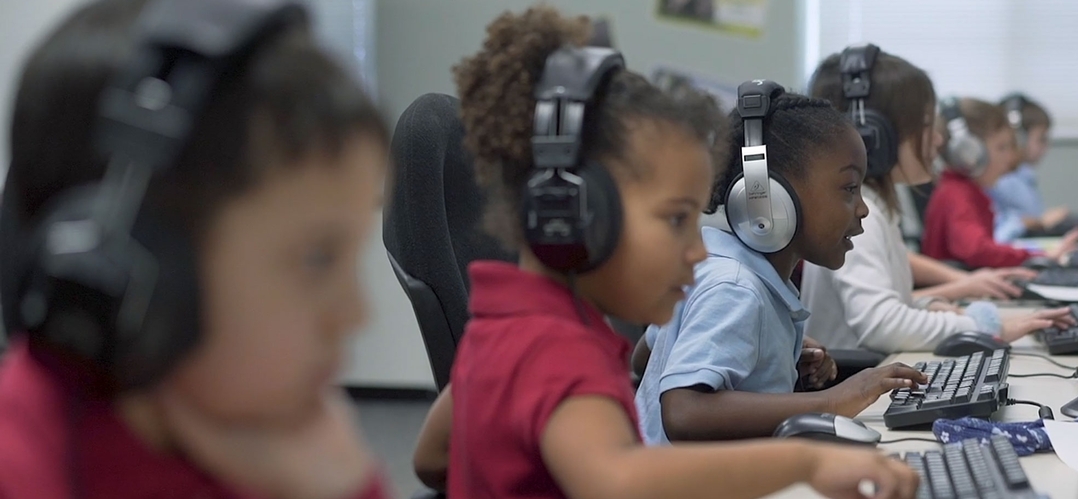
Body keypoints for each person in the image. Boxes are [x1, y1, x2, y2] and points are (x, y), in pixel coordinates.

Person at [439, 7, 918, 499]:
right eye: (675, 220)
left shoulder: (502, 327)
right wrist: (807, 458)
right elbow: (621, 478)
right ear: (580, 212)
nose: (696, 250)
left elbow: (433, 459)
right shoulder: (562, 355)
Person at [0, 0, 394, 497]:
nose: (357, 315)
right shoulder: (22, 473)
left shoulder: (286, 440)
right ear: (130, 268)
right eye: (318, 259)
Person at [635, 80, 929, 445]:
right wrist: (831, 401)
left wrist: (764, 348)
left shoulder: (718, 268)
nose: (863, 208)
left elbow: (645, 360)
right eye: (849, 189)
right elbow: (684, 412)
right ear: (766, 200)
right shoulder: (736, 288)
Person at [801, 47, 1074, 354]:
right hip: (851, 381)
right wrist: (988, 328)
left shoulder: (877, 206)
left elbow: (886, 308)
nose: (940, 141)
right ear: (874, 136)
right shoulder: (859, 214)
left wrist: (930, 304)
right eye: (927, 125)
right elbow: (882, 326)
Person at [920, 98, 1078, 269]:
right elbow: (977, 250)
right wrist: (1041, 256)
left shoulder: (970, 192)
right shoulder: (956, 195)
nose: (1011, 158)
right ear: (968, 153)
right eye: (1001, 148)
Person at [990, 93, 1078, 242]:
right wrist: (1039, 222)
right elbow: (998, 230)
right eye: (1041, 139)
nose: (1046, 147)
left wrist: (1042, 221)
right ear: (1020, 139)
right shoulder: (1001, 179)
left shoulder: (1024, 177)